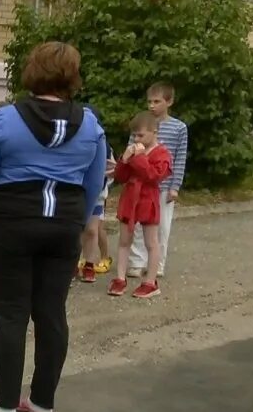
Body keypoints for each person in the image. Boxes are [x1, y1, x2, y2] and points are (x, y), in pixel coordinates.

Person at [0, 42, 108, 412]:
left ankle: (7, 404)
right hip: (63, 226)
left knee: (11, 314)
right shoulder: (92, 123)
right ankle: (43, 402)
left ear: (32, 71)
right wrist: (77, 221)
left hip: (10, 225)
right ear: (72, 77)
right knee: (52, 313)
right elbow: (95, 184)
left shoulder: (5, 120)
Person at [127, 82, 188, 279]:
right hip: (141, 184)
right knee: (137, 225)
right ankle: (136, 261)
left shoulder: (179, 128)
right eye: (149, 101)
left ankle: (157, 263)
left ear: (169, 102)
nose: (152, 105)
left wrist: (175, 186)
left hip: (163, 186)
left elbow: (179, 158)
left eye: (157, 101)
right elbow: (131, 149)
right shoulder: (141, 124)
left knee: (161, 227)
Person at [108, 112, 172, 299]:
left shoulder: (162, 154)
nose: (137, 139)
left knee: (151, 242)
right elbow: (120, 177)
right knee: (124, 240)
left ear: (154, 132)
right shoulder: (133, 150)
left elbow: (152, 176)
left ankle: (150, 282)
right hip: (129, 198)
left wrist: (139, 157)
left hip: (147, 199)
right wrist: (124, 160)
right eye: (134, 135)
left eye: (141, 135)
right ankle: (120, 278)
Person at [77, 105, 116, 284]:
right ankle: (75, 263)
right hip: (77, 191)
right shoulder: (74, 140)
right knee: (76, 231)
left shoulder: (103, 143)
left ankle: (90, 265)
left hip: (97, 192)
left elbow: (110, 169)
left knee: (92, 230)